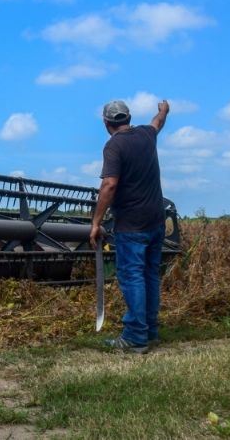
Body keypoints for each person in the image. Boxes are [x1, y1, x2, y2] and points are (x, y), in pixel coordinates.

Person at [89, 99, 170, 354]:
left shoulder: (114, 145)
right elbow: (158, 123)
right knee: (149, 275)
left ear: (106, 123)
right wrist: (163, 110)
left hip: (132, 225)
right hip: (156, 220)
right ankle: (150, 331)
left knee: (132, 276)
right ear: (129, 118)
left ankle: (135, 336)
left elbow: (110, 184)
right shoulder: (146, 134)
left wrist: (96, 222)